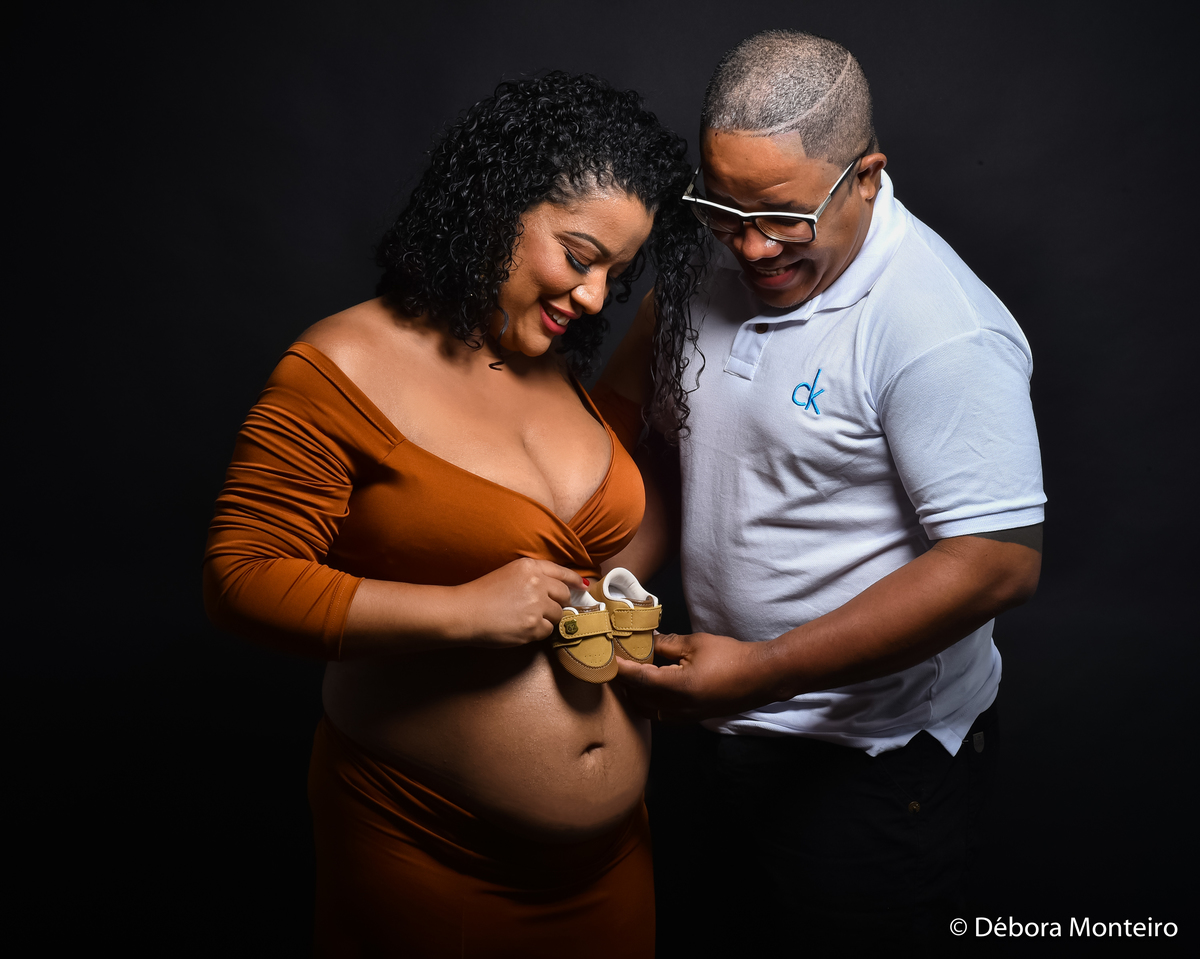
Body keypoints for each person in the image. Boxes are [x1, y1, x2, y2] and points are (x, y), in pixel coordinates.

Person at [203, 72, 701, 957]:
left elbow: (592, 546)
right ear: (500, 203)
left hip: (612, 863)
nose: (594, 296)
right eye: (579, 256)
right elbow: (240, 577)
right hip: (428, 850)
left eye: (617, 277)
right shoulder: (341, 365)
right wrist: (466, 612)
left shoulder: (552, 369)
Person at [600, 30, 1046, 951]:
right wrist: (605, 581)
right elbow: (647, 439)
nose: (752, 247)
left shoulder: (939, 328)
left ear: (866, 178)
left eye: (783, 216)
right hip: (709, 721)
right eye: (722, 209)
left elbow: (997, 564)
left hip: (870, 767)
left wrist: (761, 670)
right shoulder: (703, 264)